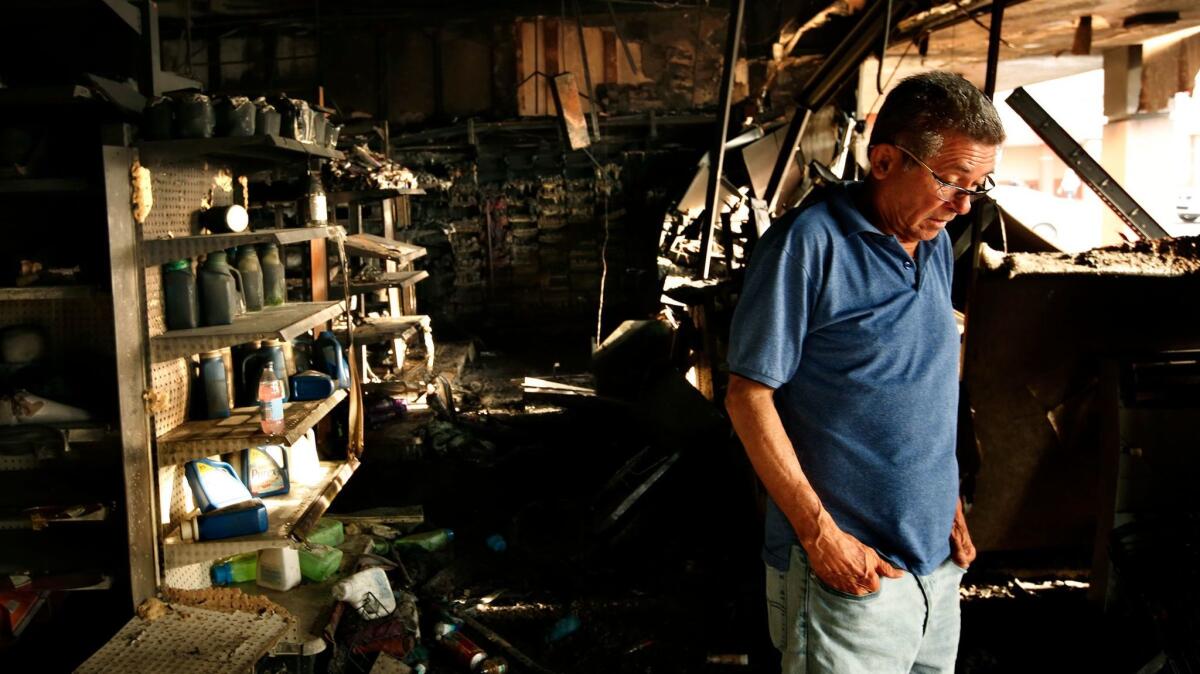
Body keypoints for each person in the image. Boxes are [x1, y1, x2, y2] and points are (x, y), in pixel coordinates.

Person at [724, 71, 1005, 674]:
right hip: (851, 571)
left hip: (936, 563)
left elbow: (918, 378)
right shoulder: (807, 247)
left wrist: (946, 497)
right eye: (951, 182)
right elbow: (748, 397)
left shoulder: (929, 243)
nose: (961, 206)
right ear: (883, 160)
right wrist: (821, 537)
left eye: (976, 187)